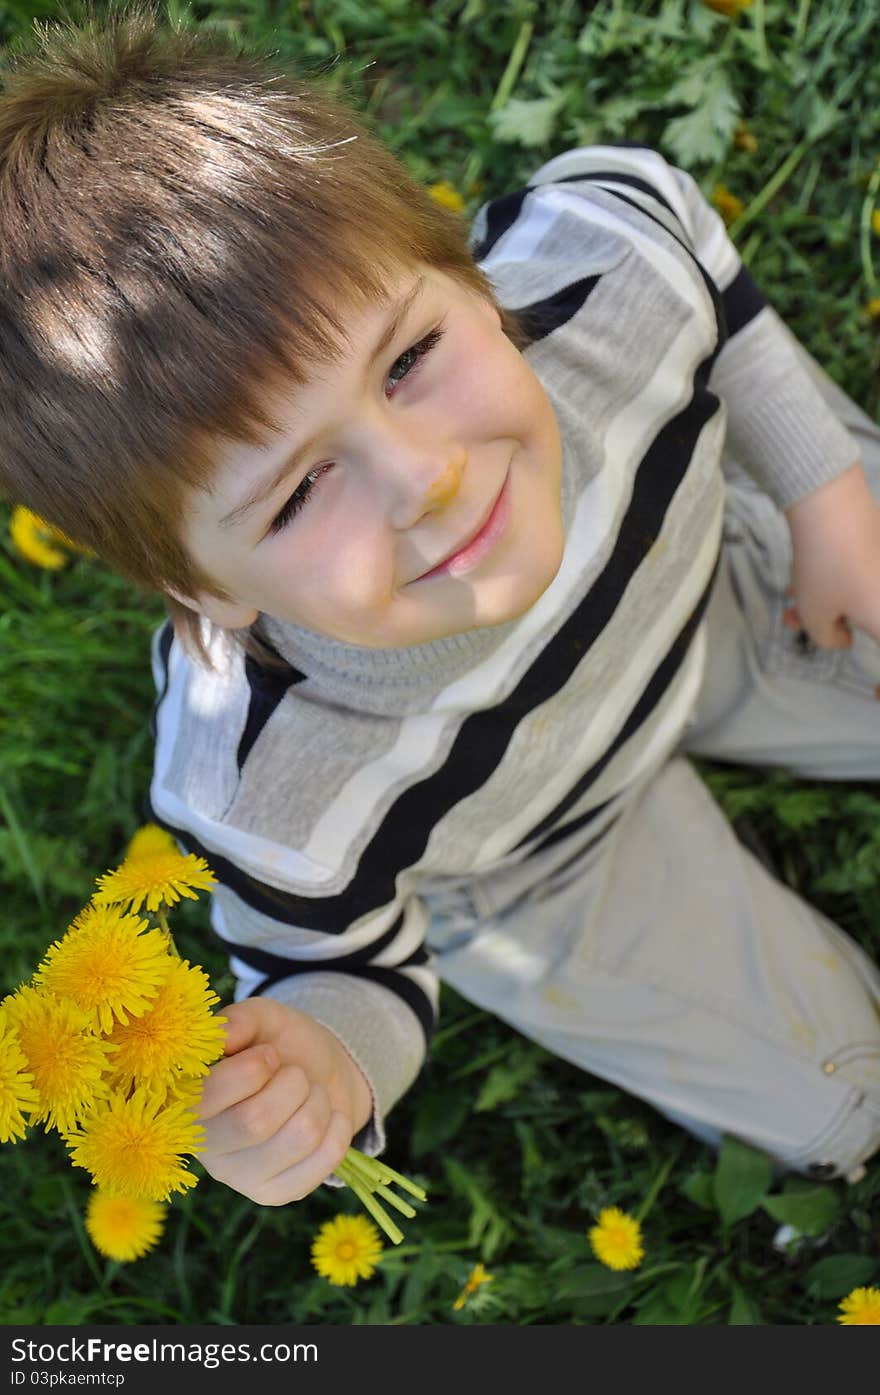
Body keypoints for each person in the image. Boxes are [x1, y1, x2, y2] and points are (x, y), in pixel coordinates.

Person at [2, 9, 879, 1208]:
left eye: (407, 358)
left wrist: (825, 497)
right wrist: (327, 1059)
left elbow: (674, 228)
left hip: (713, 592)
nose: (425, 477)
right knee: (845, 1093)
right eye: (301, 489)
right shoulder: (267, 787)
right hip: (539, 856)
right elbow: (341, 965)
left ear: (467, 274)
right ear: (203, 589)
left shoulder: (595, 286)